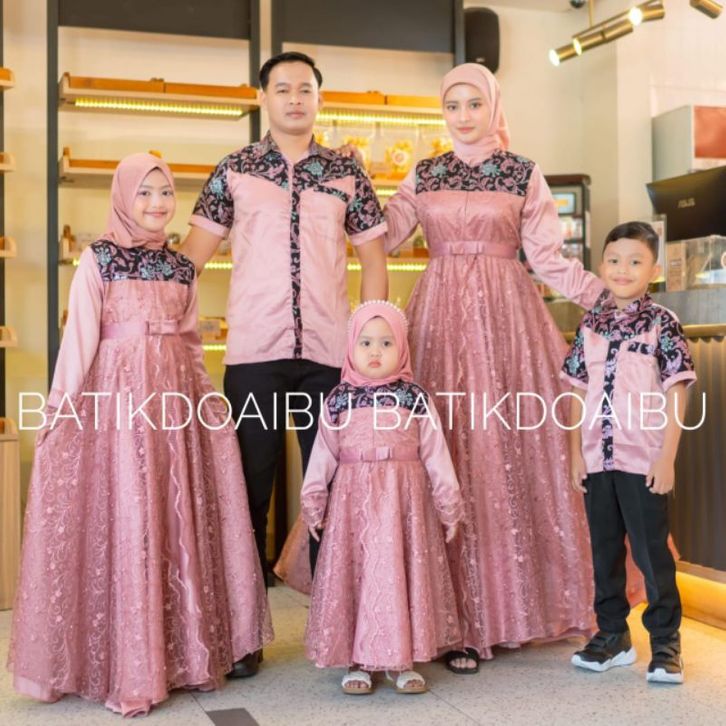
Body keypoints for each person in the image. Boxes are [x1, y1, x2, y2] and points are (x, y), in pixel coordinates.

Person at [7, 154, 272, 716]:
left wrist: (209, 405)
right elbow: (80, 339)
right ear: (123, 197)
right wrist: (59, 409)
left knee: (172, 520)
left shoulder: (181, 268)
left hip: (175, 407)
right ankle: (130, 662)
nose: (156, 203)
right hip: (119, 408)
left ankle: (182, 656)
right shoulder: (98, 259)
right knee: (130, 517)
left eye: (165, 193)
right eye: (144, 193)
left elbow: (192, 346)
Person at [382, 63, 606, 673]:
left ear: (493, 106)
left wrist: (605, 296)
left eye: (474, 103)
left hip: (508, 323)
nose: (462, 115)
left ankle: (509, 610)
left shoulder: (522, 172)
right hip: (436, 322)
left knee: (510, 450)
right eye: (452, 105)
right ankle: (448, 617)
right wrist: (348, 198)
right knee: (445, 448)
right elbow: (387, 234)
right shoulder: (424, 172)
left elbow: (548, 259)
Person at [181, 53, 388, 676]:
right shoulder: (234, 171)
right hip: (254, 356)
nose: (295, 98)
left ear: (319, 99)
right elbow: (190, 261)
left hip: (331, 359)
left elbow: (373, 260)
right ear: (263, 98)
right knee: (249, 489)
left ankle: (343, 632)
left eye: (305, 89)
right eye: (282, 88)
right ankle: (243, 636)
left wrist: (371, 342)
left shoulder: (346, 173)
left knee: (336, 491)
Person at [301, 301, 464, 695]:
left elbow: (436, 454)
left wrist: (448, 504)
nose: (375, 351)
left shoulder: (414, 397)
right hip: (353, 503)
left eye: (387, 342)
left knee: (398, 575)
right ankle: (357, 661)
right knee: (357, 575)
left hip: (402, 502)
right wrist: (314, 500)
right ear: (351, 347)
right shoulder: (338, 398)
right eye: (366, 342)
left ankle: (401, 661)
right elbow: (323, 454)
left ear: (402, 347)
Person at [563, 221, 696, 684]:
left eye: (635, 261)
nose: (623, 269)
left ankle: (665, 642)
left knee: (651, 552)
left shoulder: (663, 323)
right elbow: (576, 391)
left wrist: (667, 457)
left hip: (643, 460)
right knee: (604, 553)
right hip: (597, 458)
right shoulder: (589, 325)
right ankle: (613, 635)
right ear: (601, 266)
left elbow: (677, 390)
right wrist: (575, 453)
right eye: (615, 260)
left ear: (653, 270)